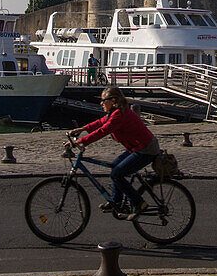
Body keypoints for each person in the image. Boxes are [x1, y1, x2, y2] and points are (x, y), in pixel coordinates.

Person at [67, 86, 159, 220]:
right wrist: (83, 129)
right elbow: (101, 122)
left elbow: (103, 131)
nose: (101, 103)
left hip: (146, 149)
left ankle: (139, 203)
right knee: (115, 166)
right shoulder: (115, 112)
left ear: (113, 100)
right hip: (137, 147)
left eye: (104, 100)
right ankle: (116, 201)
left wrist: (80, 142)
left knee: (117, 173)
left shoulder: (118, 115)